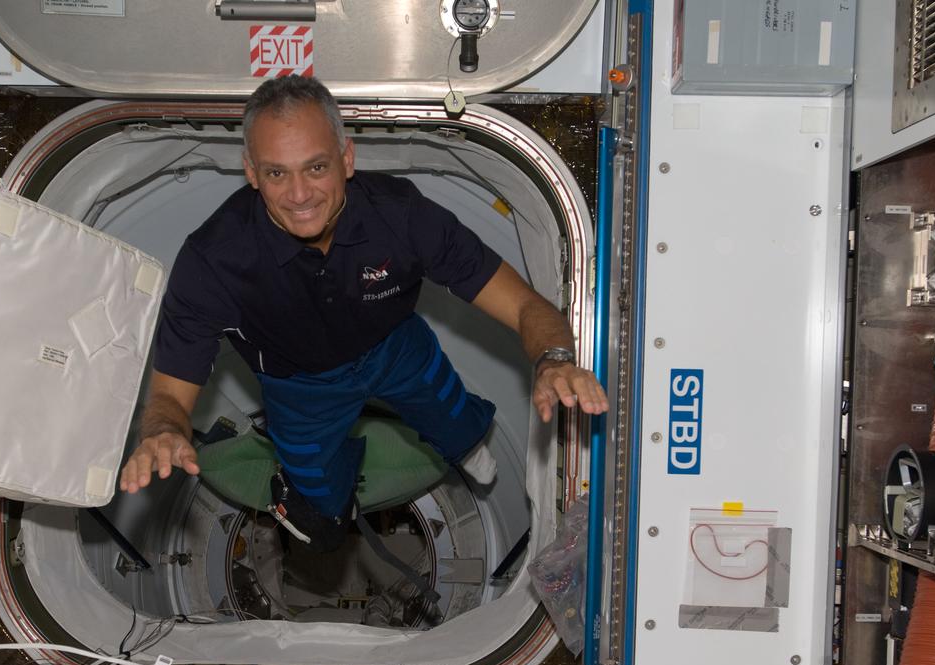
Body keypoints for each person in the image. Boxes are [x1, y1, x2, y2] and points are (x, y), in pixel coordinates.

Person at [120, 75, 607, 545]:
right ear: (251, 172)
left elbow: (524, 305)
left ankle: (463, 446)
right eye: (276, 173)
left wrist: (555, 358)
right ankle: (335, 498)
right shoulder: (214, 261)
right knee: (320, 503)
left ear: (347, 158)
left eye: (316, 167)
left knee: (454, 415)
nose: (299, 195)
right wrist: (162, 432)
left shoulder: (402, 217)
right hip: (298, 386)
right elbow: (171, 395)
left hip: (395, 346)